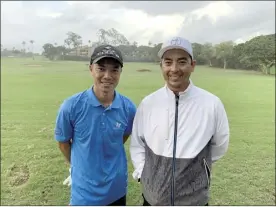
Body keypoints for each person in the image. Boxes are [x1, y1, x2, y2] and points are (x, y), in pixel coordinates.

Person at [129, 36, 230, 206]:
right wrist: (142, 173)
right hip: (153, 199)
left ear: (193, 65)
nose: (174, 69)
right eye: (168, 62)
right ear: (161, 65)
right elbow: (137, 143)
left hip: (194, 200)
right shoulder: (148, 103)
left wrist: (199, 167)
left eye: (182, 62)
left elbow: (220, 146)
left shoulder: (212, 104)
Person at [54, 44, 136, 206]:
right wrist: (78, 165)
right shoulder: (71, 106)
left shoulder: (128, 108)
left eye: (114, 69)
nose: (107, 75)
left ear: (120, 72)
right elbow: (63, 143)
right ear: (91, 69)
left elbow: (124, 135)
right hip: (84, 194)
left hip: (116, 190)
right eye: (101, 68)